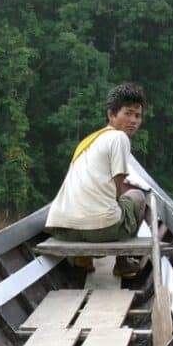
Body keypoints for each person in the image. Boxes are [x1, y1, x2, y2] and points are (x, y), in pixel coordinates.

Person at [44, 83, 148, 277]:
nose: (134, 120)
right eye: (128, 113)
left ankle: (83, 259)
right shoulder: (120, 138)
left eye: (138, 116)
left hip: (63, 228)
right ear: (111, 114)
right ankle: (122, 262)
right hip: (101, 230)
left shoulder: (87, 142)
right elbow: (118, 189)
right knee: (137, 197)